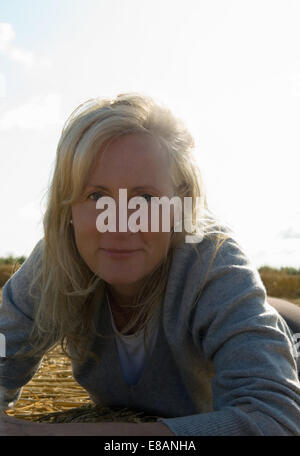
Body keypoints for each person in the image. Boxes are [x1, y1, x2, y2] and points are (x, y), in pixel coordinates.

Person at [0, 93, 300, 436]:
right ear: (67, 208)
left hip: (288, 336)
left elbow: (276, 421)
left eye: (145, 199)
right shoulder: (56, 262)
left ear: (181, 203)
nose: (119, 223)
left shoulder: (214, 262)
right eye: (96, 196)